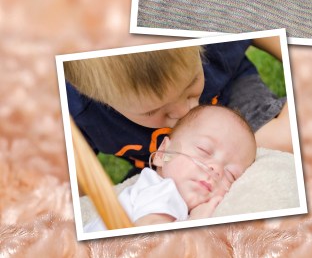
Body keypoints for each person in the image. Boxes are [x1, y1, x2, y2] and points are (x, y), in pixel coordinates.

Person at [65, 38, 291, 175]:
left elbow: (264, 27)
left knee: (280, 143)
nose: (186, 112)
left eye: (191, 83)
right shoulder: (78, 110)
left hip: (231, 101)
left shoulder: (207, 40)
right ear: (100, 100)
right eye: (152, 111)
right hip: (163, 168)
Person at [84, 105, 256, 231]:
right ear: (162, 153)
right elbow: (147, 244)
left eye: (231, 175)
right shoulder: (163, 191)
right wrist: (194, 224)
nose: (216, 169)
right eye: (204, 150)